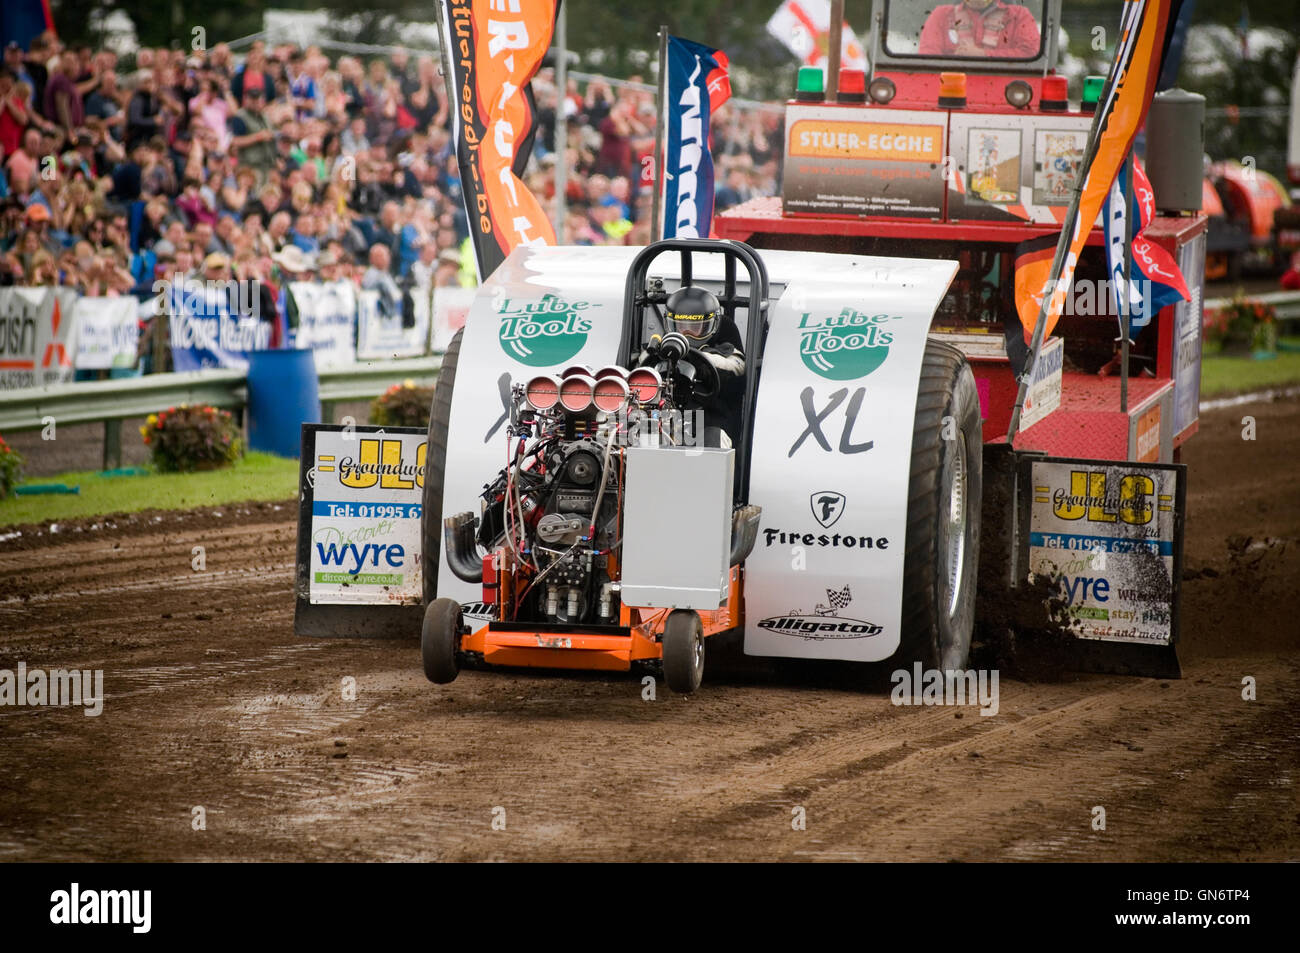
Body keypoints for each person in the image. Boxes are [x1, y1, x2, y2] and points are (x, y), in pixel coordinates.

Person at [639, 285, 745, 448]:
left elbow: (736, 367)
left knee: (714, 437)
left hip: (710, 424)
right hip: (667, 423)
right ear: (671, 325)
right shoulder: (659, 350)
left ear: (711, 325)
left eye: (694, 328)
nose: (687, 334)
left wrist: (697, 359)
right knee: (638, 431)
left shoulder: (725, 352)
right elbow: (639, 371)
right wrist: (659, 357)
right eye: (682, 327)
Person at [918, 0, 1041, 59]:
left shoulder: (1019, 15)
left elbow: (1030, 54)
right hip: (950, 89)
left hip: (1005, 92)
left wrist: (983, 54)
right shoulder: (941, 15)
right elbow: (927, 58)